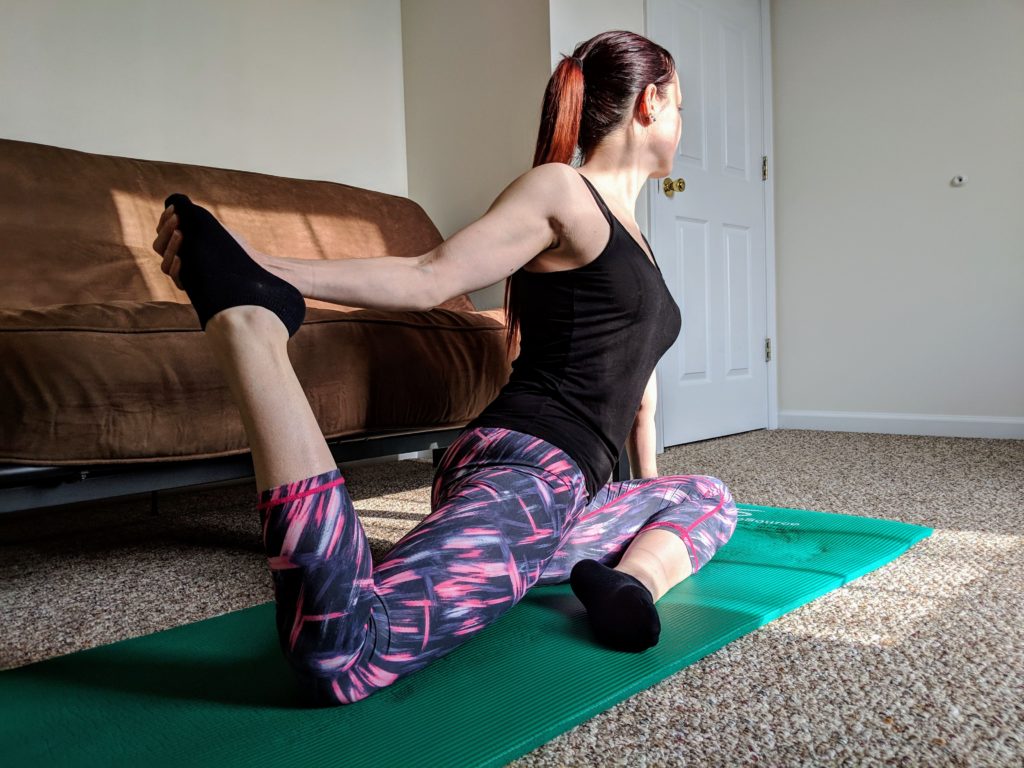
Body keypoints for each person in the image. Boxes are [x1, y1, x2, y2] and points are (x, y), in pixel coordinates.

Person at [152, 30, 737, 706]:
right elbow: (432, 275)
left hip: (577, 493)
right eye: (683, 107)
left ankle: (626, 581)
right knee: (346, 654)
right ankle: (250, 328)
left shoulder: (639, 241)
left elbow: (639, 395)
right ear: (653, 101)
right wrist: (257, 270)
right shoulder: (564, 192)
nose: (683, 124)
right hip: (528, 470)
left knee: (709, 497)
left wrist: (645, 499)